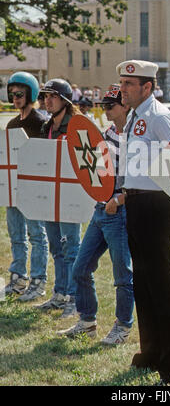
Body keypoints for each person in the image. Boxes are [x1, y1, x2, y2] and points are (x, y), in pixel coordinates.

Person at [117, 59, 170, 386]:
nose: (123, 89)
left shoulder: (160, 116)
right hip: (136, 201)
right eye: (122, 83)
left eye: (130, 84)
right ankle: (151, 352)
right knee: (143, 283)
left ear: (148, 86)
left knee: (163, 284)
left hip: (158, 204)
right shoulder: (134, 115)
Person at [57, 86, 134, 344]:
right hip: (101, 210)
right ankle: (87, 321)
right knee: (80, 268)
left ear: (125, 106)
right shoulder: (108, 133)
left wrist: (120, 198)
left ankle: (123, 327)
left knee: (123, 275)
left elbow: (146, 179)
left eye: (110, 105)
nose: (106, 109)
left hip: (120, 212)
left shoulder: (136, 137)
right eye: (104, 104)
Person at [34, 79, 82, 318]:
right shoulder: (46, 127)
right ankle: (60, 293)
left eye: (53, 96)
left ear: (65, 100)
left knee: (72, 248)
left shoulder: (78, 125)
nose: (47, 101)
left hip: (71, 196)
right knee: (56, 247)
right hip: (51, 196)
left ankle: (75, 299)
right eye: (45, 96)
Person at [4, 71, 49, 301]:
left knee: (36, 235)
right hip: (13, 187)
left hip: (34, 188)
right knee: (16, 235)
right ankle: (18, 276)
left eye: (20, 94)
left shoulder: (41, 123)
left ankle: (38, 279)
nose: (16, 98)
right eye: (12, 95)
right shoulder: (11, 124)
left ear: (30, 93)